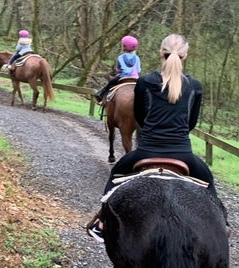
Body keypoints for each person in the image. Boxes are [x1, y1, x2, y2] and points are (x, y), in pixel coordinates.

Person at [87, 33, 218, 243]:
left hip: (147, 150)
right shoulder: (195, 86)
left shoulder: (146, 82)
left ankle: (102, 223)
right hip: (183, 154)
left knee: (115, 174)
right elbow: (191, 124)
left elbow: (140, 118)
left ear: (161, 53)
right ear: (185, 56)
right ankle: (222, 225)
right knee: (209, 182)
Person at [93, 35, 142, 104]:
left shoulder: (121, 57)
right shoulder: (137, 58)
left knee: (111, 82)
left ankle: (100, 96)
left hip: (123, 77)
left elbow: (118, 69)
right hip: (135, 78)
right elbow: (138, 70)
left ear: (124, 46)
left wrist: (119, 71)